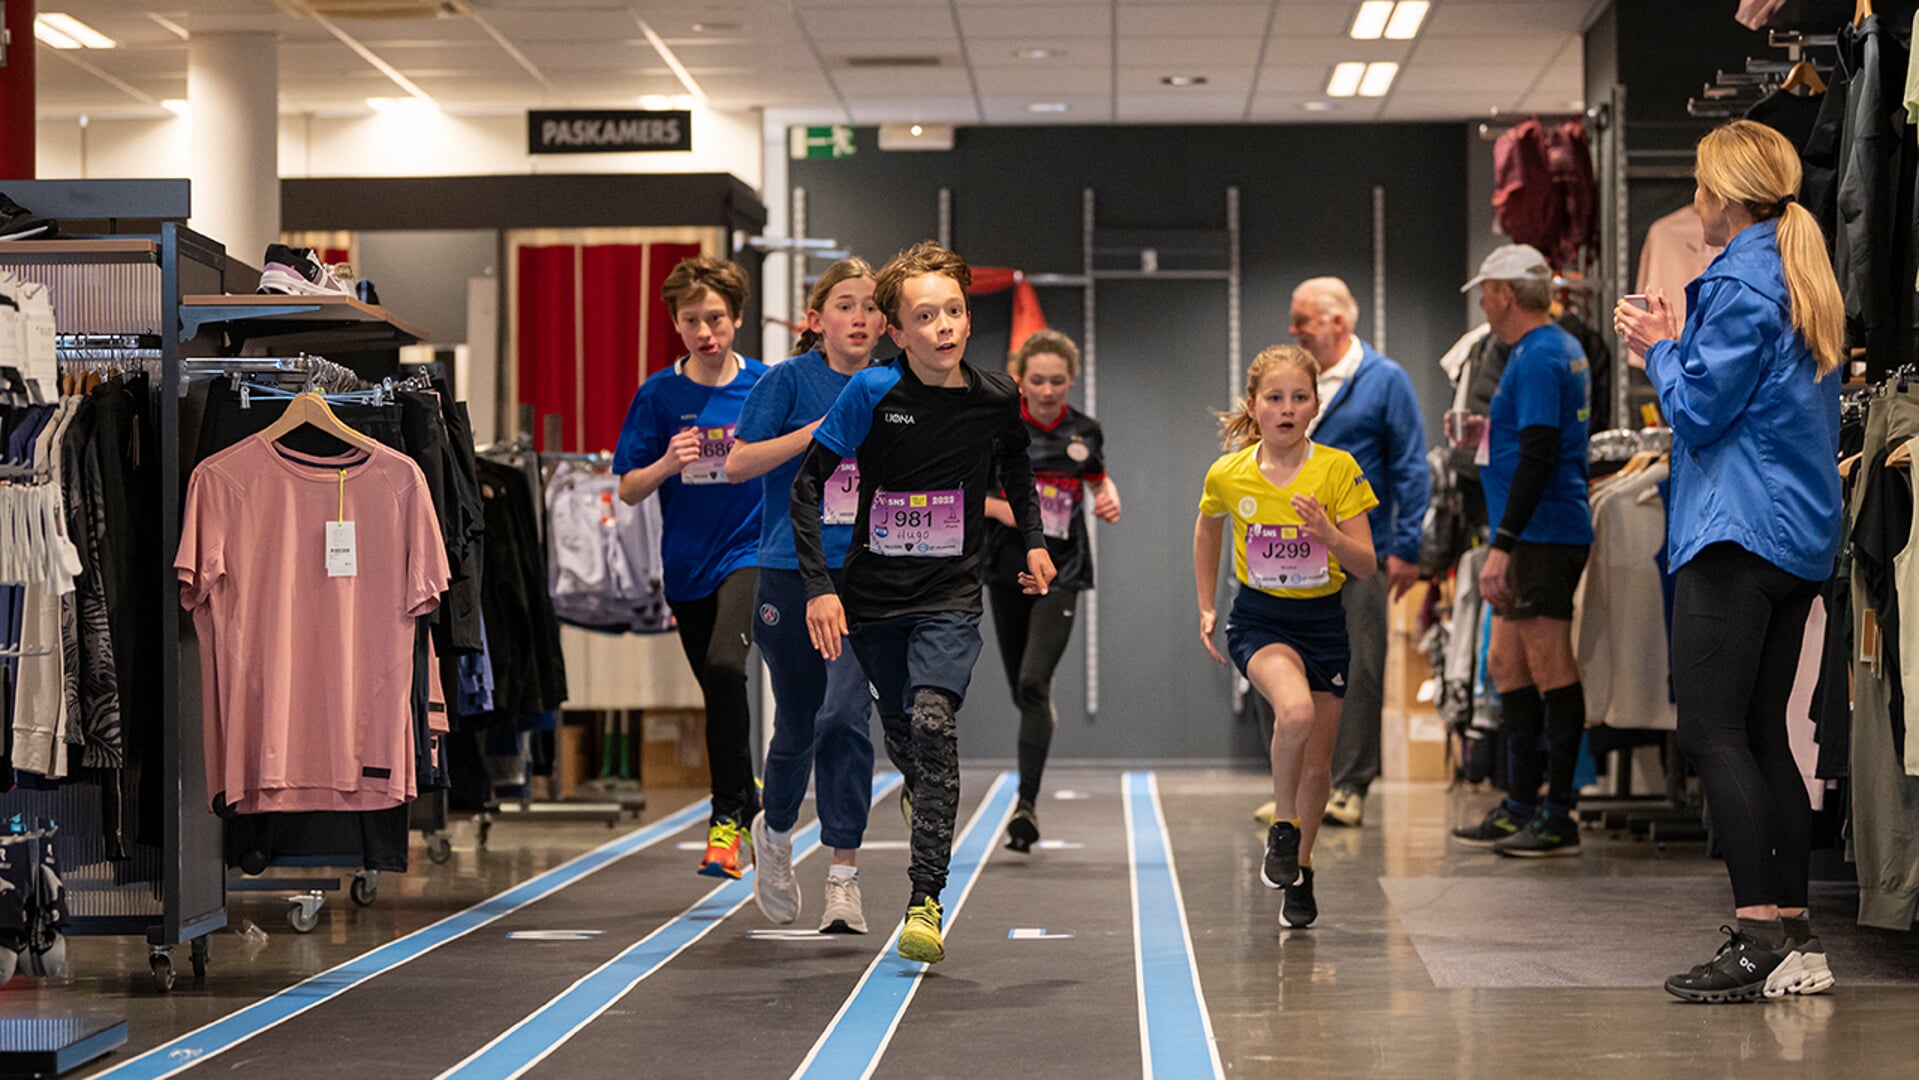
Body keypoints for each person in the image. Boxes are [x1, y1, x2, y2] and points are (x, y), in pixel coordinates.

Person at [1615, 119, 1843, 1003]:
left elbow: (1700, 410)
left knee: (1713, 733)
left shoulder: (1741, 281)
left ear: (1729, 195)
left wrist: (1657, 350)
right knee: (1760, 737)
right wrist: (1681, 341)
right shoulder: (1794, 273)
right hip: (1792, 538)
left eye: (1701, 189)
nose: (1694, 204)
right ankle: (1791, 933)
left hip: (1732, 532)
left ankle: (1758, 937)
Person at [791, 241, 1054, 965]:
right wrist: (819, 587)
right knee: (907, 737)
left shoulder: (996, 397)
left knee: (935, 727)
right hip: (872, 598)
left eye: (955, 312)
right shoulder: (871, 393)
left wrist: (1032, 541)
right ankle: (920, 785)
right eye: (925, 316)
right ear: (896, 332)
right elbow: (807, 486)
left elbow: (1016, 470)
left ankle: (924, 902)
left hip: (950, 593)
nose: (944, 326)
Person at [1195, 344, 1379, 929]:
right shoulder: (1229, 472)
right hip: (1260, 619)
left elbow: (1368, 564)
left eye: (1300, 397)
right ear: (1254, 406)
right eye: (1274, 398)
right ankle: (1282, 825)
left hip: (1323, 621)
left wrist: (1326, 532)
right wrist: (1205, 605)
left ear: (1315, 406)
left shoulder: (1337, 469)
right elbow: (1207, 529)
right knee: (1293, 713)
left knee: (1319, 765)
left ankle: (1300, 870)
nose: (1287, 408)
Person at [727, 258, 884, 934]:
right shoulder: (786, 380)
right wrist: (821, 432)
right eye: (845, 304)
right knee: (797, 724)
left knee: (844, 717)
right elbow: (737, 463)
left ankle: (844, 877)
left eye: (872, 307)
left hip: (866, 575)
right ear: (816, 319)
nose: (860, 317)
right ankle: (778, 833)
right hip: (789, 569)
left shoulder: (895, 385)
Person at [613, 256, 766, 879]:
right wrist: (667, 465)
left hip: (750, 551)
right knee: (717, 690)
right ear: (676, 324)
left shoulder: (763, 385)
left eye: (717, 319)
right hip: (687, 564)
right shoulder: (659, 395)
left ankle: (725, 817)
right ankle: (746, 795)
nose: (706, 333)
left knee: (728, 668)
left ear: (736, 319)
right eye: (692, 321)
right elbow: (627, 487)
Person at [1448, 244, 1592, 859]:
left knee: (1549, 664)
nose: (1482, 302)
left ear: (1506, 294)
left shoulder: (1538, 357)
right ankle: (1520, 804)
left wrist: (1501, 546)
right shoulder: (1543, 350)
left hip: (1541, 533)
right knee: (1506, 665)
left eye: (1486, 292)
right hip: (1531, 530)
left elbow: (1539, 454)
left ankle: (1558, 814)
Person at [1285, 277, 1429, 829]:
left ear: (1338, 323)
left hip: (1359, 550)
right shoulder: (1293, 381)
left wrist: (1407, 546)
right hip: (1291, 554)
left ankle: (1350, 786)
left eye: (1302, 321)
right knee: (1291, 664)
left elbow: (1410, 466)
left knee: (1360, 667)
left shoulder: (1384, 380)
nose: (1293, 330)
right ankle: (1294, 787)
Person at [983, 329, 1121, 852]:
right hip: (1005, 567)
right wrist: (1020, 513)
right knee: (1023, 688)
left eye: (1056, 382)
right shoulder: (998, 427)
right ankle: (1032, 765)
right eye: (1036, 380)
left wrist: (1109, 499)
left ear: (1071, 380)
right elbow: (970, 496)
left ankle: (1026, 806)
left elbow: (1098, 480)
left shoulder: (1085, 431)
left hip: (1061, 571)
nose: (1046, 390)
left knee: (1035, 682)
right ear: (1020, 377)